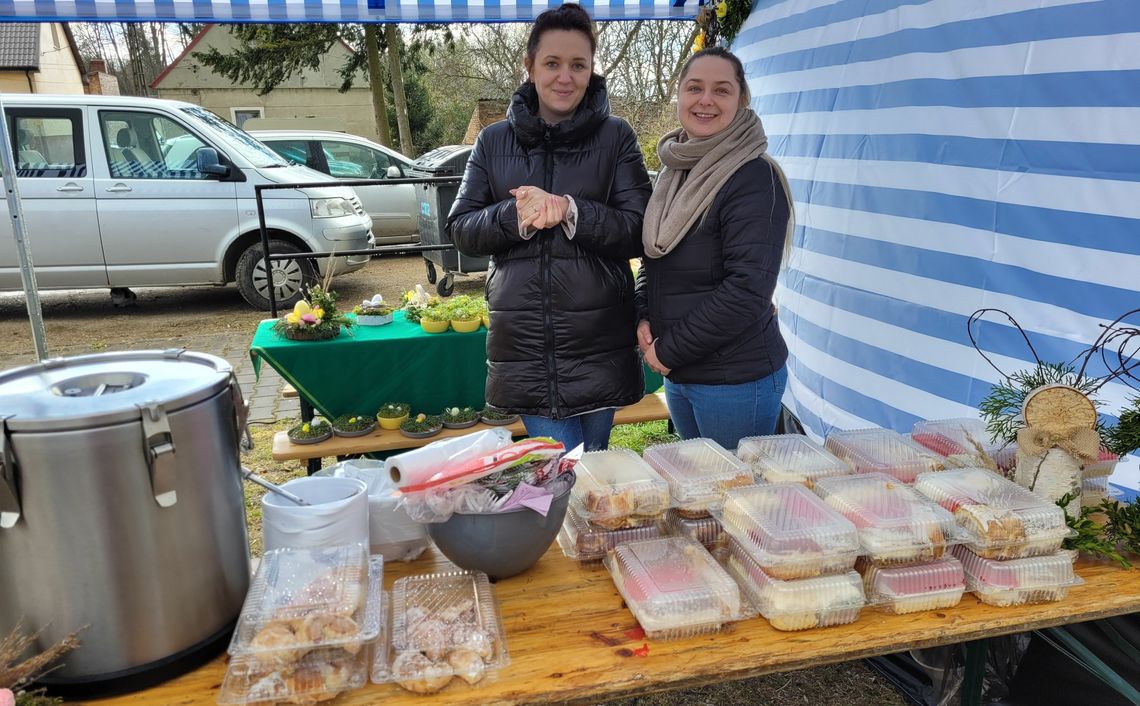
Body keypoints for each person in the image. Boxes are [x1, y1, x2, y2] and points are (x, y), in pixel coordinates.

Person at [448, 3, 652, 452]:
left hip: (600, 343)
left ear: (592, 69)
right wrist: (514, 216)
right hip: (525, 349)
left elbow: (640, 230)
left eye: (578, 65)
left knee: (588, 468)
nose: (565, 77)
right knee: (562, 471)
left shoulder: (616, 137)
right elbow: (461, 229)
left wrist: (571, 210)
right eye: (552, 63)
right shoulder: (493, 140)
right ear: (529, 66)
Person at [634, 46, 794, 451]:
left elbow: (747, 289)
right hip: (682, 373)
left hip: (734, 379)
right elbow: (654, 259)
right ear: (679, 97)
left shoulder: (753, 177)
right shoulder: (674, 171)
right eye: (694, 88)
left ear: (741, 102)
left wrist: (668, 350)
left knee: (735, 500)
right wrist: (642, 316)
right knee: (703, 494)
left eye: (721, 90)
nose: (705, 100)